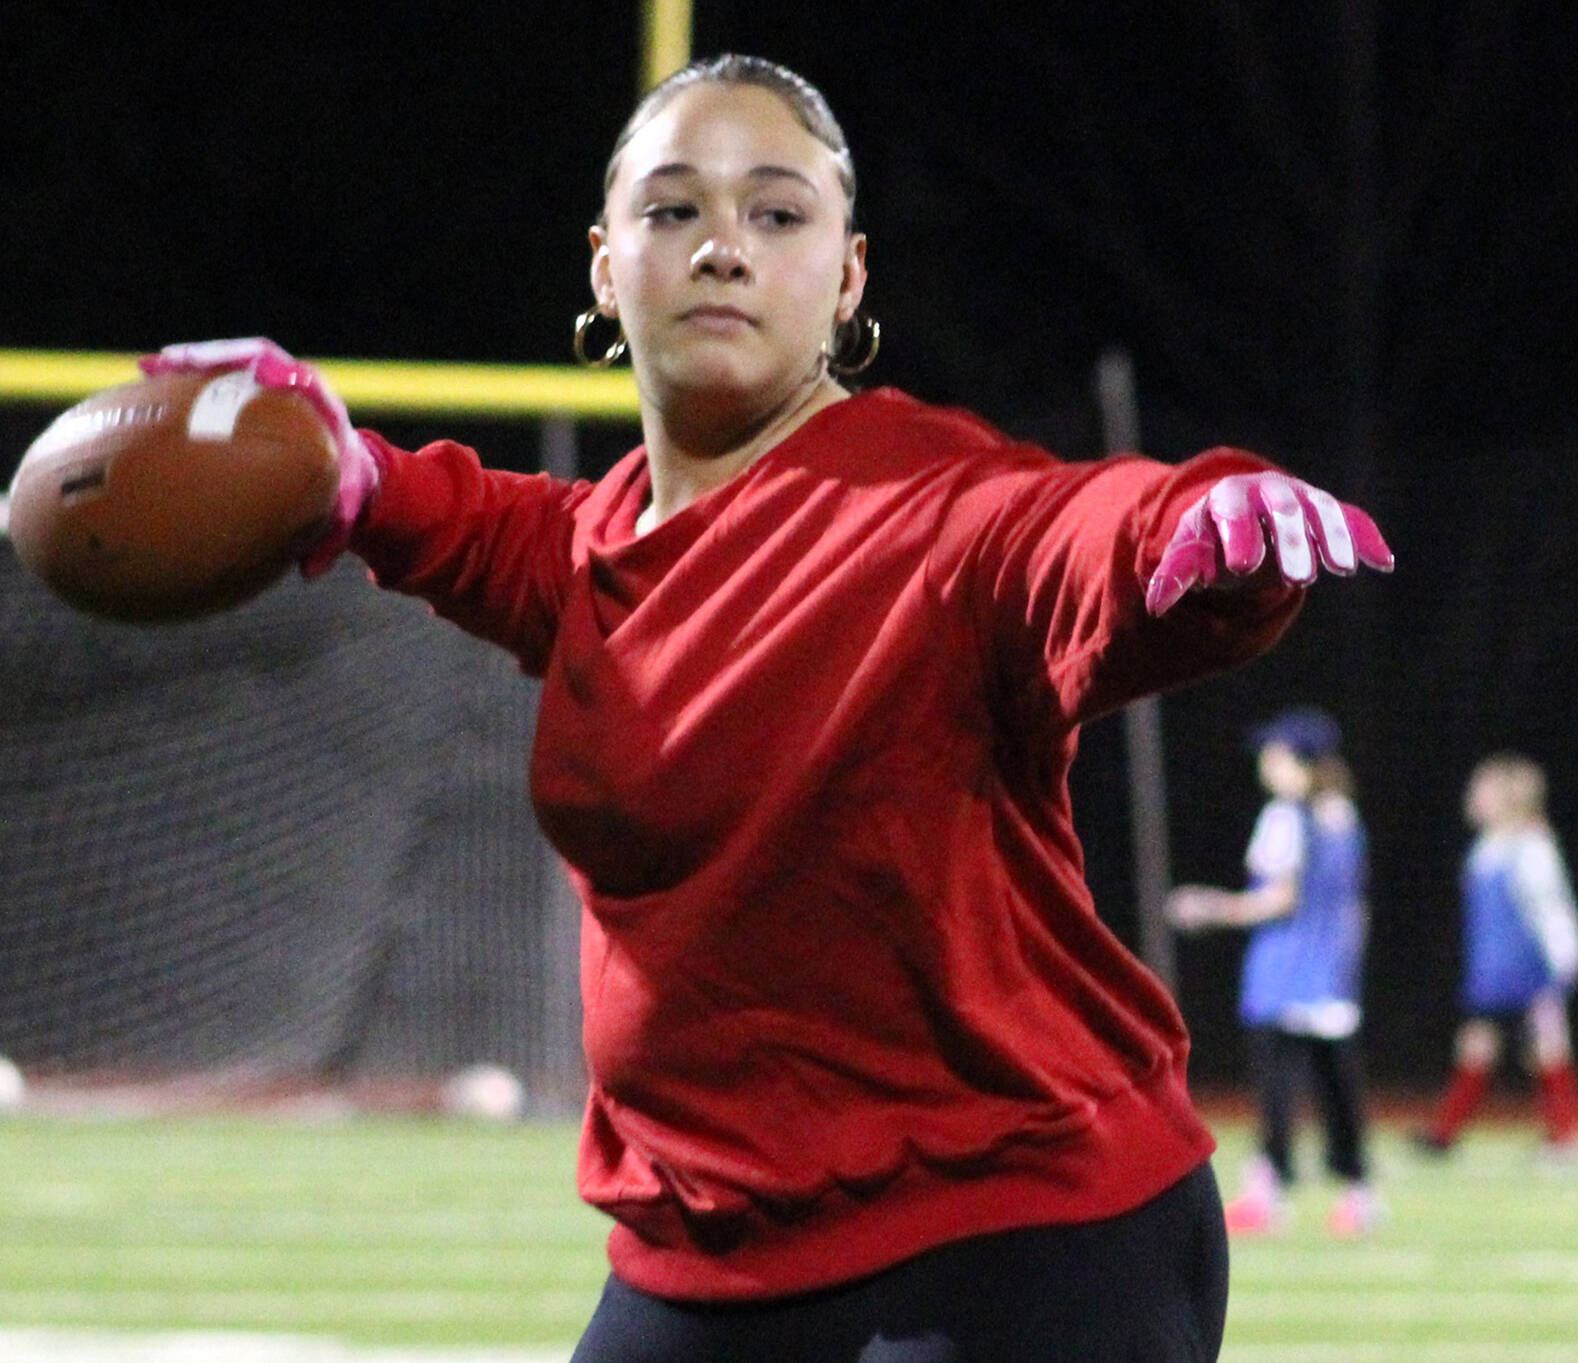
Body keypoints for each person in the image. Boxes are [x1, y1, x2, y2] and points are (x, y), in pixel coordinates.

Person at [141, 53, 1393, 1363]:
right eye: (673, 209)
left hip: (1017, 1225)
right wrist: (338, 468)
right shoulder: (596, 548)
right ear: (605, 266)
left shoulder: (922, 504)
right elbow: (474, 526)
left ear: (847, 278)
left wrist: (1192, 522)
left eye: (777, 213)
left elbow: (1065, 536)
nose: (722, 248)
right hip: (709, 1247)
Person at [1166, 708, 1381, 1239]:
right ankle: (1359, 1194)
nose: (1266, 763)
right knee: (1337, 1089)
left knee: (1278, 1087)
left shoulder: (1286, 817)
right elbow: (1355, 909)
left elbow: (1279, 898)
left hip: (1284, 973)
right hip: (1331, 978)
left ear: (1299, 763)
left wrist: (1209, 907)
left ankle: (1270, 1194)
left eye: (1275, 754)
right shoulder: (1345, 819)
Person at [1413, 752, 1578, 1160]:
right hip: (1492, 974)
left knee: (1547, 1050)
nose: (1473, 796)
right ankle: (1444, 1133)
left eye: (1483, 790)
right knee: (1476, 1048)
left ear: (1510, 799)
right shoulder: (1486, 849)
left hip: (1531, 971)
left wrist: (1563, 967)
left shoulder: (1532, 848)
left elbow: (1554, 912)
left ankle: (1564, 1140)